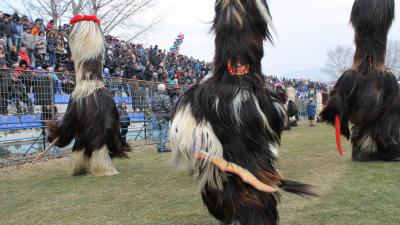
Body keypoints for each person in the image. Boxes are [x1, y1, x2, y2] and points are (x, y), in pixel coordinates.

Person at [151, 83, 171, 153]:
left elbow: (152, 108)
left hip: (156, 116)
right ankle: (162, 148)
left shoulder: (154, 97)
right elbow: (168, 107)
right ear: (164, 89)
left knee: (158, 132)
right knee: (164, 132)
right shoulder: (165, 97)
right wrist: (169, 113)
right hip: (164, 117)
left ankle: (159, 147)